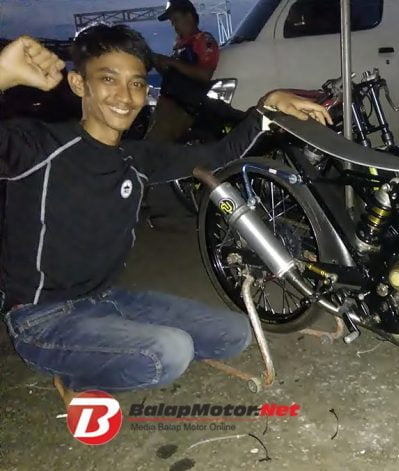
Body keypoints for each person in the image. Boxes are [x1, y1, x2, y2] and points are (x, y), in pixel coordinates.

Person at [0, 27, 331, 408]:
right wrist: (3, 74)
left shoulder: (136, 158)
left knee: (235, 333)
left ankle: (103, 346)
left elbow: (217, 156)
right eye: (108, 79)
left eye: (137, 83)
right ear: (79, 84)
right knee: (169, 353)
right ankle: (76, 374)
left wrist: (267, 107)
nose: (125, 96)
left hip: (108, 300)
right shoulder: (37, 146)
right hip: (42, 318)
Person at [146, 0, 220, 142]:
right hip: (166, 105)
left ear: (190, 17)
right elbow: (178, 76)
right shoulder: (181, 45)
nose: (174, 26)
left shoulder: (204, 40)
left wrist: (171, 62)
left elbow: (205, 75)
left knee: (157, 147)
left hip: (181, 110)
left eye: (176, 20)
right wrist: (160, 64)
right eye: (172, 22)